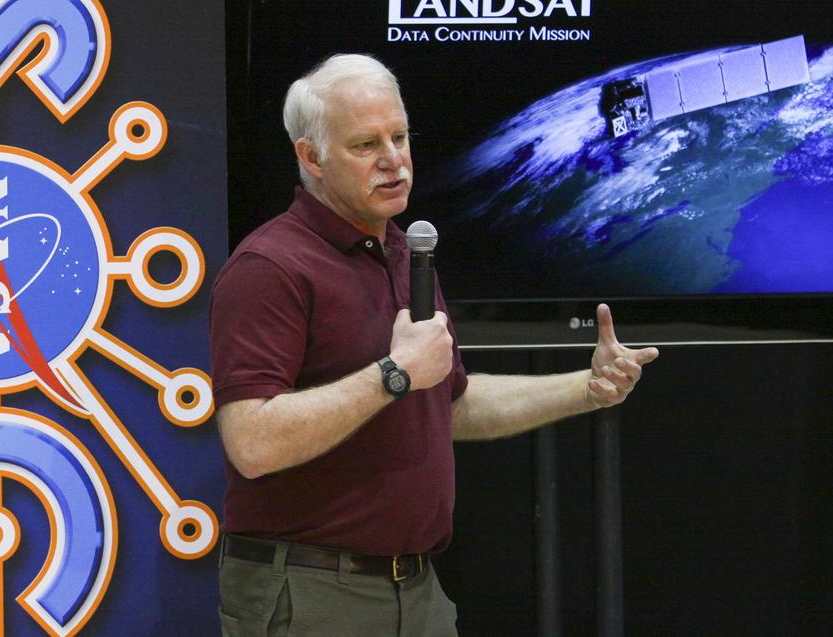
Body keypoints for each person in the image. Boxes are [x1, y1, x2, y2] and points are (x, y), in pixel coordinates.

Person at [210, 53, 658, 635]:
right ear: (311, 157)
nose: (394, 160)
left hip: (417, 592)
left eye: (399, 137)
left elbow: (446, 406)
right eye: (366, 145)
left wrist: (586, 389)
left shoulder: (404, 251)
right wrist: (393, 373)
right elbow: (252, 441)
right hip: (310, 592)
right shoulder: (270, 266)